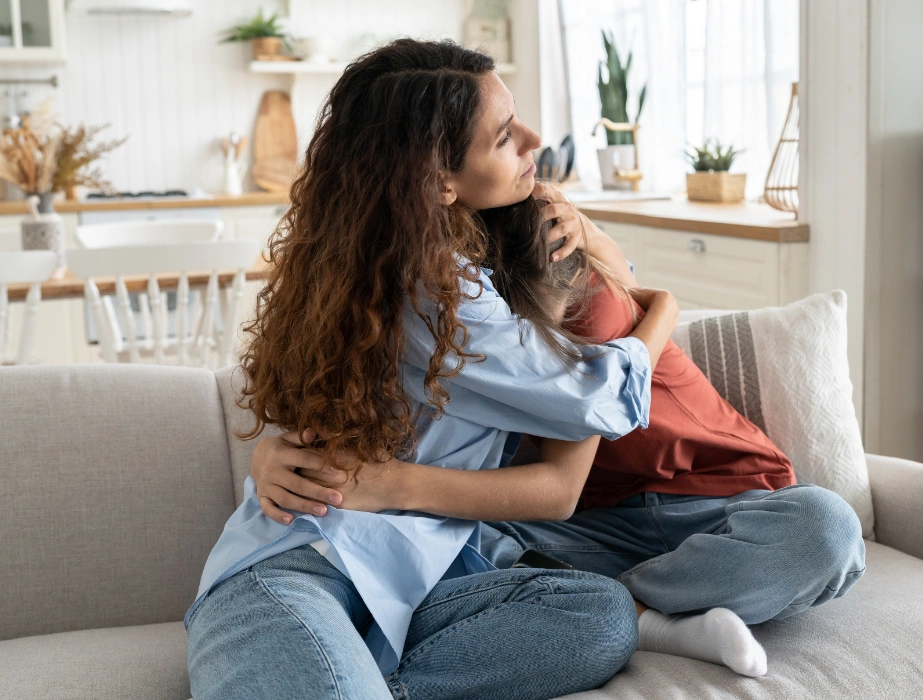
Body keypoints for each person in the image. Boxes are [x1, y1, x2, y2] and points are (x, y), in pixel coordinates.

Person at [186, 38, 682, 700]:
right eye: (505, 136)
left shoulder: (410, 265)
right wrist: (669, 309)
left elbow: (597, 308)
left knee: (596, 617)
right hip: (300, 570)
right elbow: (597, 395)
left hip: (421, 584)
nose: (534, 140)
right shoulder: (433, 289)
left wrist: (588, 235)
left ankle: (365, 676)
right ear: (438, 180)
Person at [258, 195, 867, 679]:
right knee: (429, 545)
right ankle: (652, 611)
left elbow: (590, 407)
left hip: (719, 501)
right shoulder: (450, 314)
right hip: (581, 530)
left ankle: (637, 608)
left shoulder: (570, 289)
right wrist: (275, 456)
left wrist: (651, 299)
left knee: (823, 529)